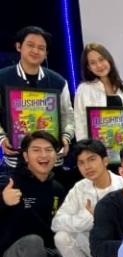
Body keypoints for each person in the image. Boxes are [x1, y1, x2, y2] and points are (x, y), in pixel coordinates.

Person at [51, 140, 123, 257]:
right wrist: (87, 218)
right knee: (62, 237)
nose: (87, 166)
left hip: (120, 247)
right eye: (81, 163)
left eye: (92, 159)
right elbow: (56, 223)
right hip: (93, 246)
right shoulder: (79, 188)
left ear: (105, 160)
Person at [0, 26, 74, 170]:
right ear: (19, 47)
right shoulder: (2, 79)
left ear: (46, 53)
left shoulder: (59, 82)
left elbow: (68, 116)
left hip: (52, 162)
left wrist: (66, 138)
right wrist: (2, 139)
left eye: (41, 48)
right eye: (30, 45)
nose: (35, 51)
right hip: (16, 162)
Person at [74, 43, 123, 142]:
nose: (99, 65)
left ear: (108, 59)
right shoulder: (83, 89)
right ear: (88, 67)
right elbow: (80, 123)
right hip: (97, 148)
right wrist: (85, 147)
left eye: (101, 59)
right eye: (93, 63)